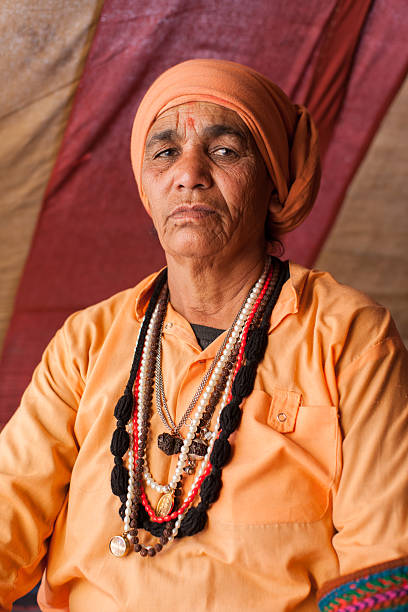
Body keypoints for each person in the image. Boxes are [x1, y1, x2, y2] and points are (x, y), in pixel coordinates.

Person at [0, 59, 407, 612]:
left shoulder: (351, 339)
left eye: (225, 150)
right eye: (165, 152)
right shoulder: (87, 342)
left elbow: (383, 577)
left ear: (272, 182)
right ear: (147, 186)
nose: (188, 172)